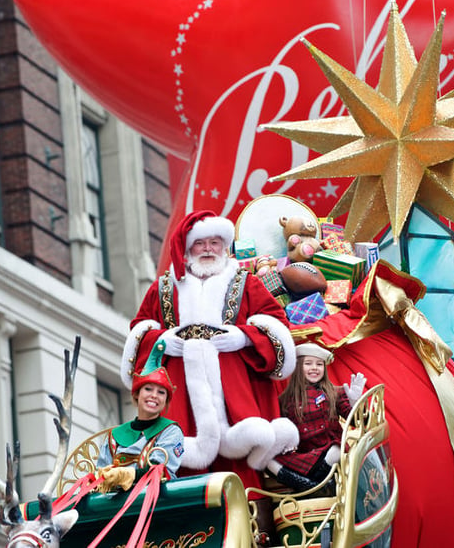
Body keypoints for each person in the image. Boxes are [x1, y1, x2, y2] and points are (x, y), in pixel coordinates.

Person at [120, 210, 298, 486]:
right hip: (181, 392)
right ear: (188, 247)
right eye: (200, 243)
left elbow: (278, 324)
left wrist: (244, 336)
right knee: (178, 462)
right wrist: (161, 341)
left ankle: (252, 522)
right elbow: (139, 330)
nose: (207, 249)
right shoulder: (164, 288)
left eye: (215, 243)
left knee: (241, 468)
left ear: (225, 247)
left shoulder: (246, 283)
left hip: (234, 393)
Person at [267, 343, 366, 492]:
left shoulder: (335, 393)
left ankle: (313, 487)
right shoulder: (285, 400)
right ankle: (311, 486)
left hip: (329, 452)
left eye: (319, 364)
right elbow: (282, 430)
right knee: (267, 460)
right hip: (304, 456)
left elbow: (358, 421)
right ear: (298, 367)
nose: (314, 368)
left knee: (336, 449)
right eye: (308, 363)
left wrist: (355, 403)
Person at [97, 338, 184, 492]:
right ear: (137, 394)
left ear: (166, 400)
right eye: (148, 389)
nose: (154, 396)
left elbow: (160, 471)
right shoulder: (114, 435)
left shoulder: (171, 431)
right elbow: (101, 477)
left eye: (161, 392)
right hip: (115, 507)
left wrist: (127, 475)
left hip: (155, 505)